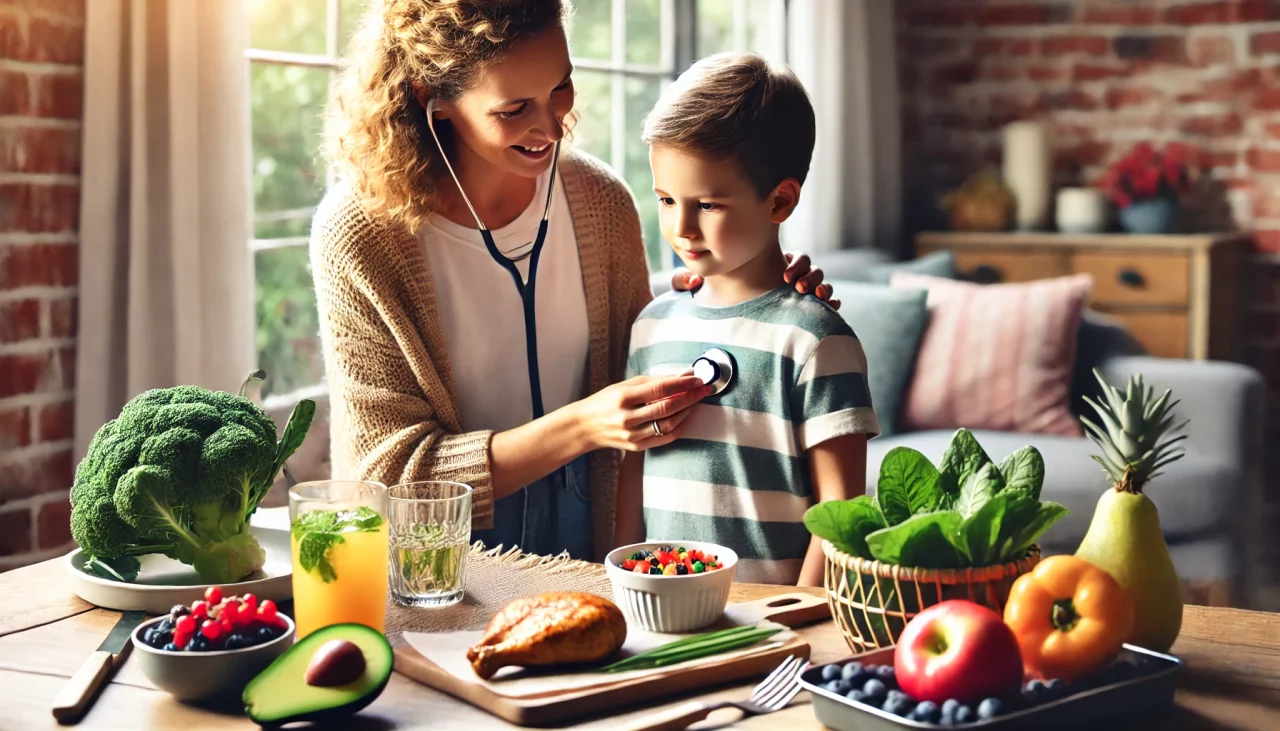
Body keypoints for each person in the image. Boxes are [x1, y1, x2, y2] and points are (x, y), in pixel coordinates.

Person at [311, 0, 839, 563]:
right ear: (431, 99)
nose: (551, 125)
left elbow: (645, 373)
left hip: (596, 552)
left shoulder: (600, 202)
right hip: (439, 568)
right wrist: (585, 425)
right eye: (514, 108)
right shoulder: (362, 234)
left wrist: (758, 295)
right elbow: (387, 482)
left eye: (560, 88)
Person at [616, 52, 880, 586]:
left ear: (780, 201)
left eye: (709, 205)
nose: (682, 227)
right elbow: (631, 474)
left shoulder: (816, 341)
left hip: (774, 622)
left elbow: (841, 510)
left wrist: (801, 618)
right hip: (657, 606)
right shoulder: (651, 327)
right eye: (666, 199)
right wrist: (619, 581)